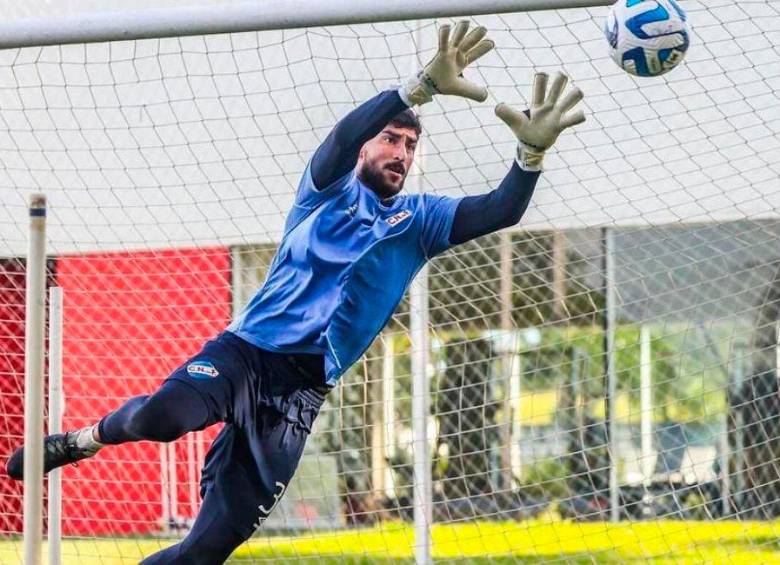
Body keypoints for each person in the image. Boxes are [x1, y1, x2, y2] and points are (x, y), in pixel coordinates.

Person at [6, 21, 584, 564]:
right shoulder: (325, 190)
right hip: (245, 354)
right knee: (165, 416)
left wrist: (530, 155)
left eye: (410, 145)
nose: (400, 153)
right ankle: (81, 441)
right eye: (390, 138)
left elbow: (499, 209)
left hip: (300, 392)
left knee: (205, 552)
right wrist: (421, 87)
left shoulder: (421, 221)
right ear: (367, 147)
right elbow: (340, 134)